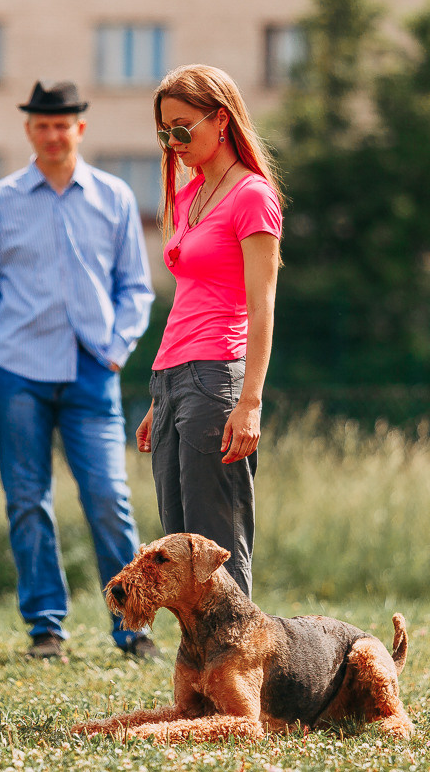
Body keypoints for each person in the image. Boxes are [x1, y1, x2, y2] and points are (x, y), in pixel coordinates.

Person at [0, 80, 159, 660]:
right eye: (43, 124)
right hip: (17, 370)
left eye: (64, 124)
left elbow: (136, 289)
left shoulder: (113, 197)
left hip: (93, 371)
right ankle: (46, 628)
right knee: (26, 499)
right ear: (29, 130)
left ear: (80, 129)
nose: (54, 134)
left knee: (109, 498)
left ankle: (132, 628)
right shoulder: (1, 201)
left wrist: (117, 349)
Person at [136, 64, 284, 599]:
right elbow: (188, 298)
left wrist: (250, 402)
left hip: (217, 377)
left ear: (221, 120)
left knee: (214, 543)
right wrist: (161, 396)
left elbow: (262, 305)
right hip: (173, 377)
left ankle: (240, 672)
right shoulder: (187, 196)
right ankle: (200, 677)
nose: (172, 143)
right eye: (163, 133)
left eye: (182, 128)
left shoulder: (251, 195)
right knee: (176, 544)